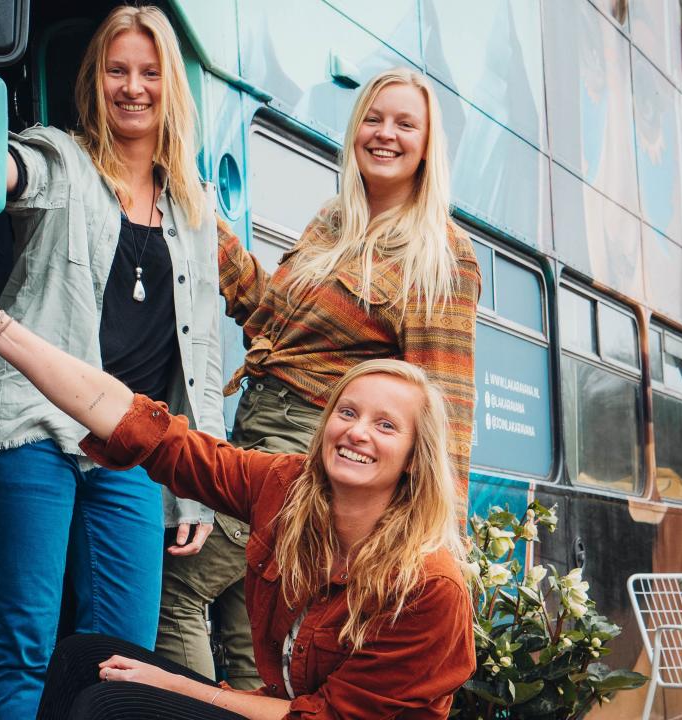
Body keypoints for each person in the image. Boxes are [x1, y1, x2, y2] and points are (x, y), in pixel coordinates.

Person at [0, 263, 477, 718]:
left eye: (385, 425)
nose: (356, 432)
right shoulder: (287, 488)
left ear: (412, 458)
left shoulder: (429, 586)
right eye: (347, 412)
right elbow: (140, 427)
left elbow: (320, 716)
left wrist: (179, 688)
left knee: (113, 700)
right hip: (280, 709)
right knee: (85, 657)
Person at [168, 66, 482, 689]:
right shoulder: (334, 223)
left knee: (175, 590)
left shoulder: (439, 253)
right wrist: (202, 215)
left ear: (427, 146)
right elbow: (265, 314)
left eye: (404, 123)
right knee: (249, 623)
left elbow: (443, 402)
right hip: (256, 425)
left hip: (317, 449)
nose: (384, 134)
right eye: (373, 118)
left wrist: (439, 534)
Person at [0, 6, 225, 717]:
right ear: (94, 80)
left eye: (148, 73)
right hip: (31, 427)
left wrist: (196, 488)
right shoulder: (65, 159)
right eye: (116, 71)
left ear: (171, 87)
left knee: (123, 660)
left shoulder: (195, 208)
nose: (132, 88)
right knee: (24, 645)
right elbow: (16, 171)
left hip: (129, 445)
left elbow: (202, 355)